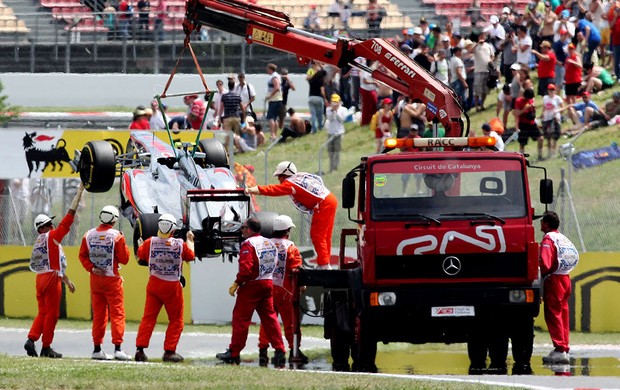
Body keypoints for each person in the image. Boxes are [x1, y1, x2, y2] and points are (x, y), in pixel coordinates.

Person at [215, 218, 287, 367]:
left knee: (240, 319)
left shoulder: (248, 244)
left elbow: (246, 269)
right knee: (270, 319)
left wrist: (237, 282)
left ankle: (234, 353)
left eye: (243, 228)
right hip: (268, 283)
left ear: (250, 230)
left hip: (251, 285)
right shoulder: (270, 243)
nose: (241, 230)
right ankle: (280, 350)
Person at [24, 184, 84, 358]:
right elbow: (68, 221)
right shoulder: (52, 237)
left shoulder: (40, 240)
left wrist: (66, 280)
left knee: (43, 312)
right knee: (52, 315)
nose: (52, 226)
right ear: (43, 228)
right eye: (49, 224)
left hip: (41, 278)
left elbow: (53, 263)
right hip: (51, 279)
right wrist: (78, 194)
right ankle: (46, 347)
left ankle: (31, 339)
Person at [245, 161, 338, 270]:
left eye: (279, 176)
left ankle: (324, 264)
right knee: (325, 235)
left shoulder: (290, 184)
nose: (278, 179)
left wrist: (251, 190)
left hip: (323, 204)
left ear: (286, 174)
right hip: (330, 199)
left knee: (317, 235)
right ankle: (325, 263)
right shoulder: (298, 178)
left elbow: (272, 190)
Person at [134, 214, 195, 363]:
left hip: (154, 284)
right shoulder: (180, 244)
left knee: (148, 318)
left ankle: (140, 350)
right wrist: (190, 240)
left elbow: (140, 255)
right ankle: (169, 351)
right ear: (173, 229)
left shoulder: (150, 242)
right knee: (176, 320)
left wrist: (141, 244)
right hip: (172, 286)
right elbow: (191, 256)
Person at [78, 205, 131, 361]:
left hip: (95, 279)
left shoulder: (88, 234)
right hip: (112, 279)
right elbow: (125, 259)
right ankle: (118, 348)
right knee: (117, 314)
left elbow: (82, 256)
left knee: (99, 315)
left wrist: (92, 269)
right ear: (114, 219)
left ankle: (97, 349)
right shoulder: (117, 236)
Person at [257, 215, 306, 366]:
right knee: (290, 323)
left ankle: (263, 351)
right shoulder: (291, 247)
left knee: (268, 321)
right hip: (286, 291)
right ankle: (294, 350)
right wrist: (302, 286)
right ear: (287, 230)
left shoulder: (264, 244)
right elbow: (296, 269)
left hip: (267, 288)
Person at [539, 211, 579, 365]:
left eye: (542, 221)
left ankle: (559, 348)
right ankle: (563, 348)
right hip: (565, 278)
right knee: (563, 314)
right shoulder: (562, 238)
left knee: (553, 314)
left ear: (547, 224)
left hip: (554, 280)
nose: (540, 224)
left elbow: (546, 263)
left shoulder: (549, 239)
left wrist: (537, 271)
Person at [514, 88, 544, 160]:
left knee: (541, 139)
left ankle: (540, 155)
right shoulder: (518, 101)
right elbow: (517, 114)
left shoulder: (530, 100)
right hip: (523, 125)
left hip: (532, 123)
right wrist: (525, 108)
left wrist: (533, 108)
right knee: (522, 143)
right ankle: (522, 159)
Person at [325, 93, 347, 173]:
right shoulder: (328, 109)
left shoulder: (343, 109)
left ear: (339, 102)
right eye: (333, 102)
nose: (334, 103)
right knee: (330, 151)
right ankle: (331, 167)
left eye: (336, 102)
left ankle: (335, 167)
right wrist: (332, 111)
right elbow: (330, 119)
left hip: (339, 133)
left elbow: (341, 120)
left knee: (337, 151)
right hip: (330, 132)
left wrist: (336, 111)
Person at [541, 84, 563, 159]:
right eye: (550, 90)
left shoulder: (557, 98)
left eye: (553, 90)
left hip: (555, 118)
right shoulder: (545, 98)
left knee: (555, 136)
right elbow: (544, 107)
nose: (552, 91)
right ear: (548, 90)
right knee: (548, 136)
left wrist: (557, 111)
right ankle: (549, 152)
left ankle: (554, 152)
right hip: (547, 118)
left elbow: (562, 108)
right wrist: (542, 115)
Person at [306, 61, 328, 134]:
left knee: (313, 114)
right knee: (320, 114)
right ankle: (320, 127)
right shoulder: (321, 80)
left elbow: (307, 78)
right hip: (319, 98)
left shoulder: (311, 80)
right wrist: (325, 98)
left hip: (311, 97)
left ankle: (314, 129)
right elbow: (322, 91)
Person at [265, 63, 284, 140]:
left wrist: (270, 96)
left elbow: (277, 88)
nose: (267, 70)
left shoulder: (274, 76)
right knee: (274, 118)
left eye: (267, 68)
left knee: (271, 118)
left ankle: (272, 134)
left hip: (274, 99)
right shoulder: (275, 76)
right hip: (276, 99)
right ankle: (274, 134)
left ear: (270, 69)